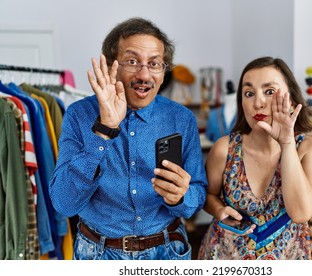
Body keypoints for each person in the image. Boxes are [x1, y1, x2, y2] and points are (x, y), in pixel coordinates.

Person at [49, 17, 207, 260]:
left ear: (164, 73)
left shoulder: (181, 118)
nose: (145, 74)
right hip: (98, 254)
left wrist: (182, 197)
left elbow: (197, 195)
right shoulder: (79, 115)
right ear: (112, 65)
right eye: (132, 61)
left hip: (167, 251)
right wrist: (104, 129)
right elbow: (64, 203)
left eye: (155, 64)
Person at [197, 56, 312, 260]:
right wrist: (219, 210)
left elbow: (301, 213)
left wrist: (287, 143)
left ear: (291, 100)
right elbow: (207, 195)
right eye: (249, 93)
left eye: (269, 92)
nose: (258, 102)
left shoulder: (309, 149)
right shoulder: (224, 149)